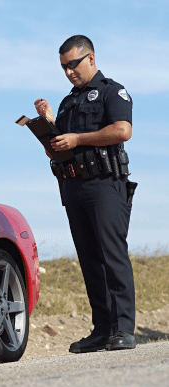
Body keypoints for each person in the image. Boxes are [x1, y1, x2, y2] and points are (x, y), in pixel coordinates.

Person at [34, 35, 136, 353]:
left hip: (106, 185)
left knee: (111, 255)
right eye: (63, 67)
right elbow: (57, 151)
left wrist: (77, 139)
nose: (68, 72)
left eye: (73, 65)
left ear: (90, 58)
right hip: (74, 186)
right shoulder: (68, 102)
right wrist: (48, 125)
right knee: (89, 260)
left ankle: (123, 329)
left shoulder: (111, 91)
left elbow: (122, 130)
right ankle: (102, 330)